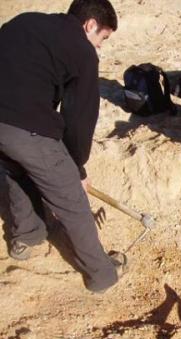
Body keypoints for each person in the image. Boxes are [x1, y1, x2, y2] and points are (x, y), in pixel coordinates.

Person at [0, 0, 125, 293]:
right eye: (103, 38)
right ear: (90, 25)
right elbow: (79, 118)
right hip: (25, 127)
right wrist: (76, 168)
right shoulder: (81, 50)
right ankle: (102, 275)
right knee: (72, 201)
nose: (101, 47)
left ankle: (27, 236)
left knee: (16, 172)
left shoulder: (26, 21)